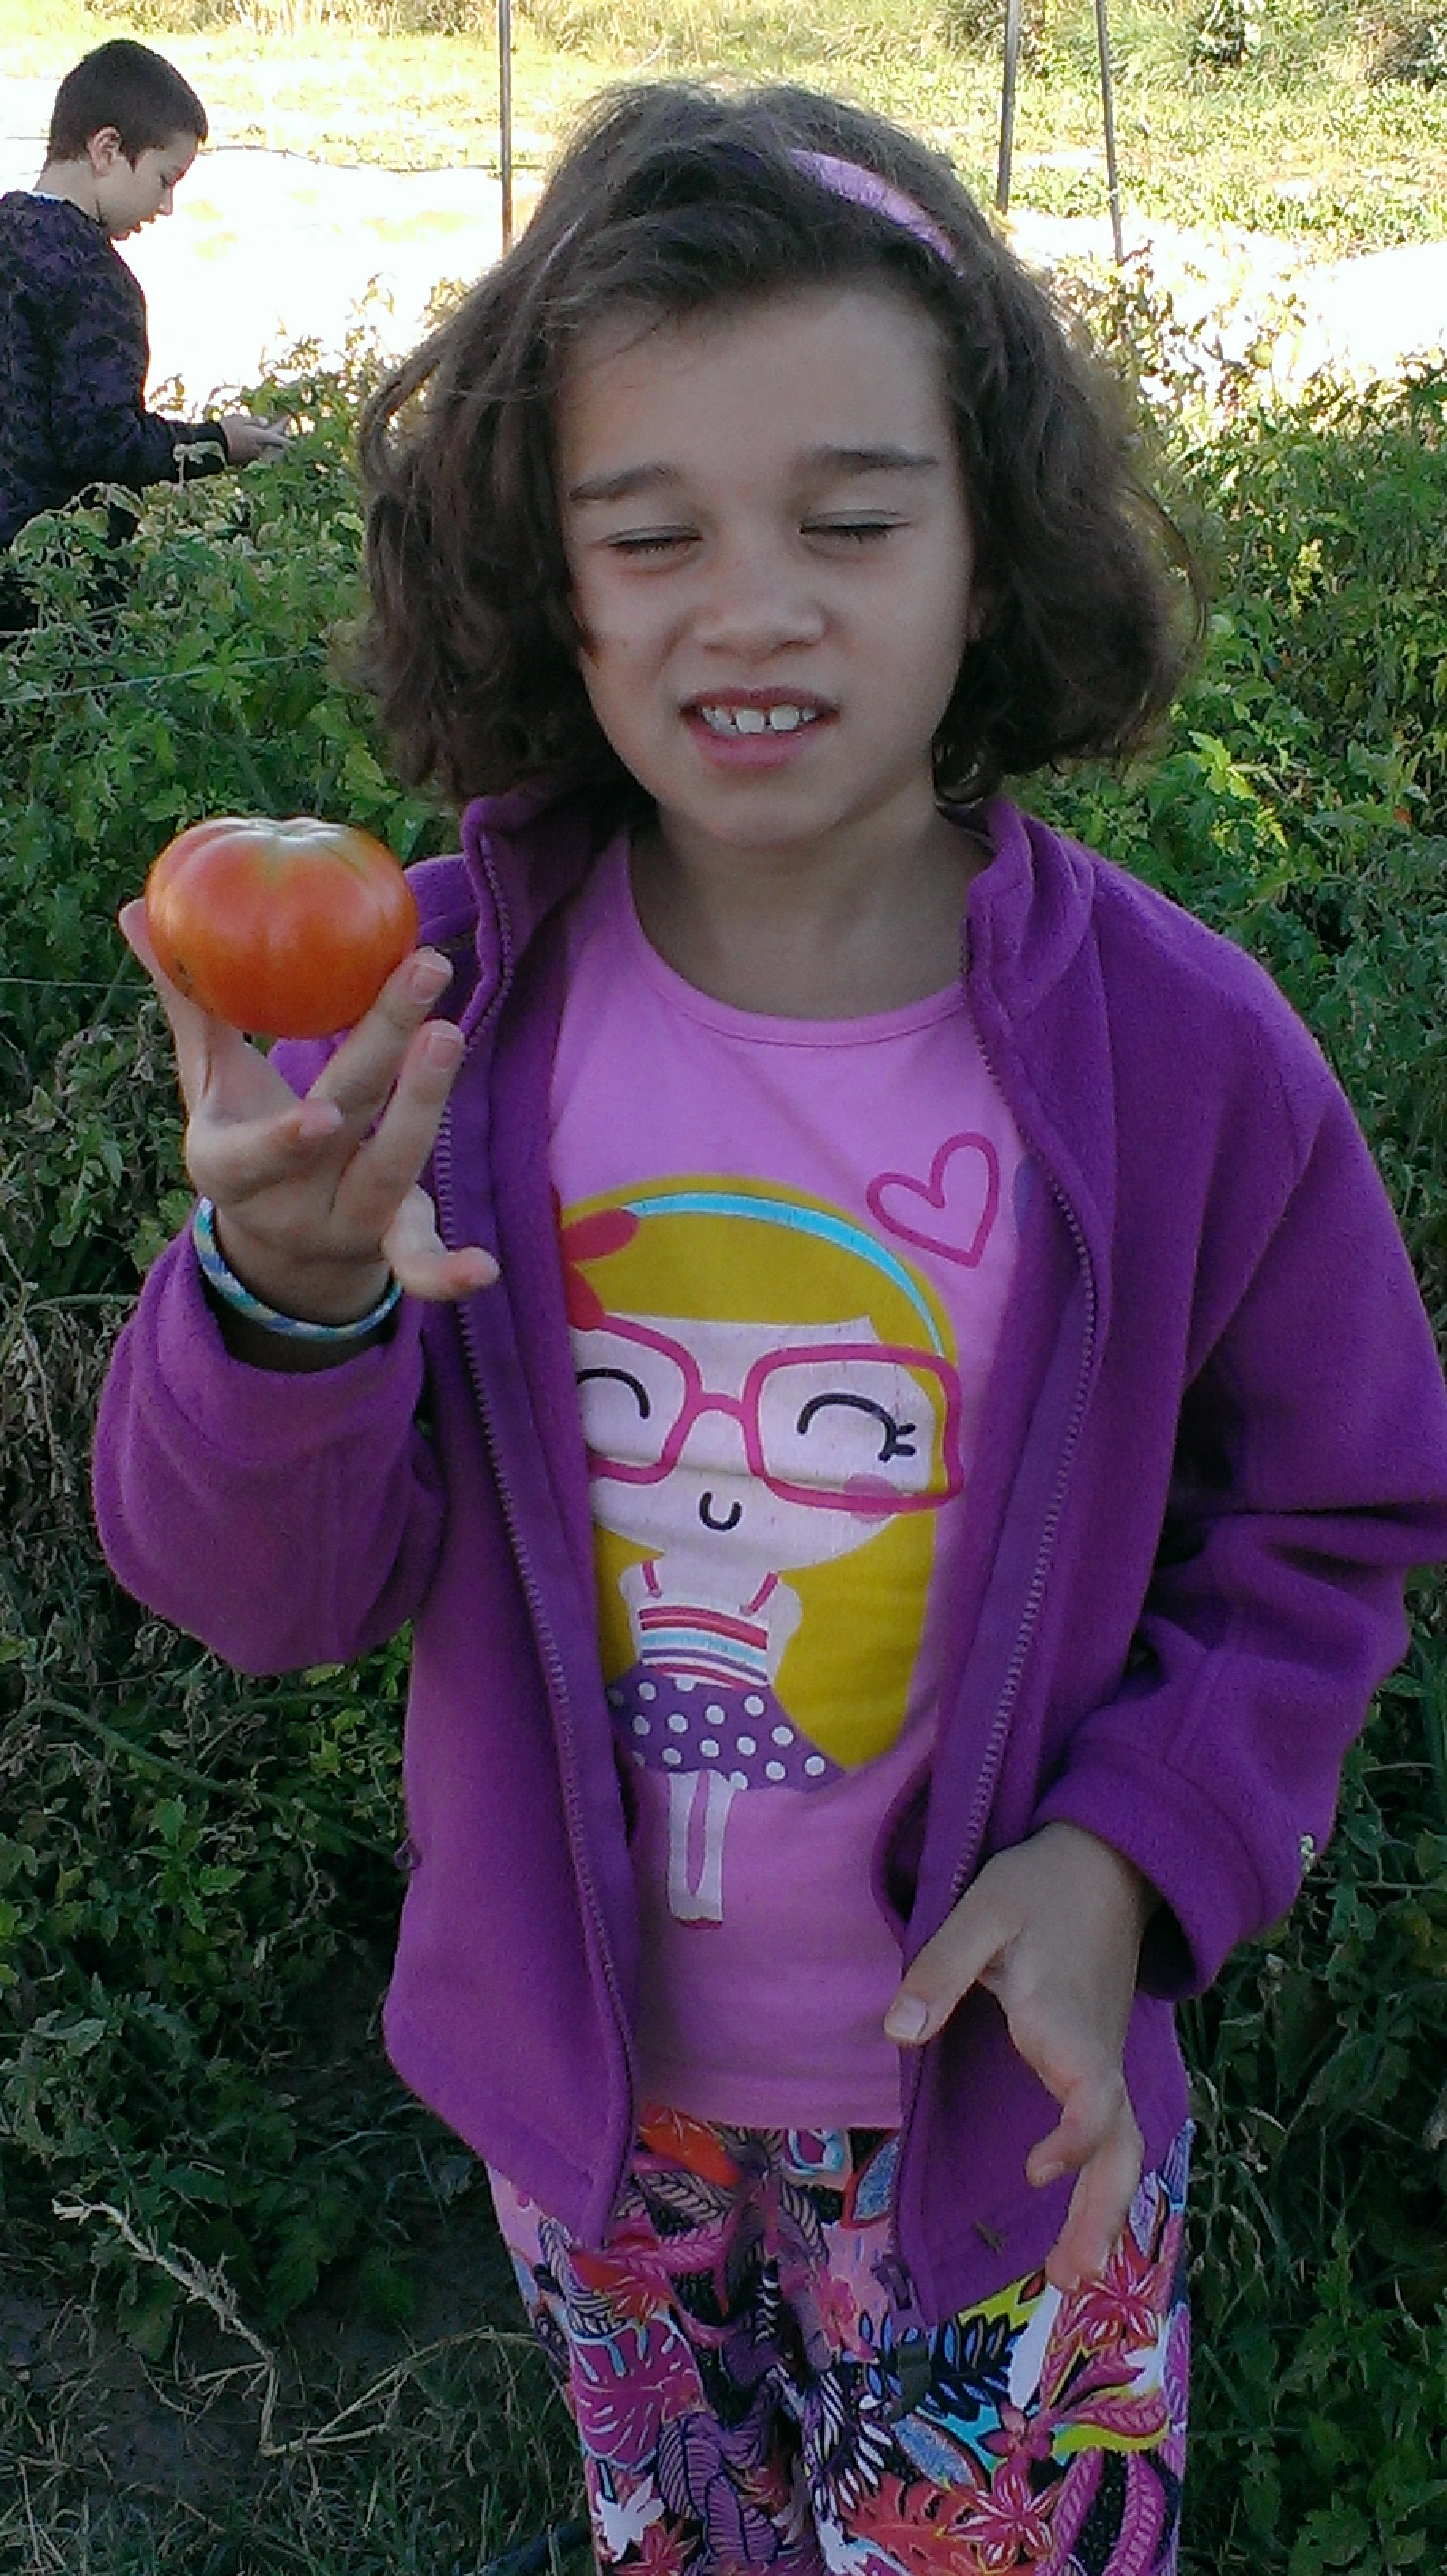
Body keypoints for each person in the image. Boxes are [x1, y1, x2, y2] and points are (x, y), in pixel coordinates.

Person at [93, 83, 1447, 2575]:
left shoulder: (1178, 1058)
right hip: (587, 2118)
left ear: (989, 550)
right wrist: (283, 1300)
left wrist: (1133, 1854)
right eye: (651, 534)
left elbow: (1333, 1513)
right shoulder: (423, 1025)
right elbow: (262, 1596)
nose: (754, 606)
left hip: (998, 2118)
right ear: (547, 584)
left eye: (850, 520)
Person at [0, 40, 284, 565]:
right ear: (107, 149)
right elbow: (102, 444)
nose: (166, 206)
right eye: (164, 180)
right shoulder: (95, 280)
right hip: (48, 577)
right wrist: (217, 443)